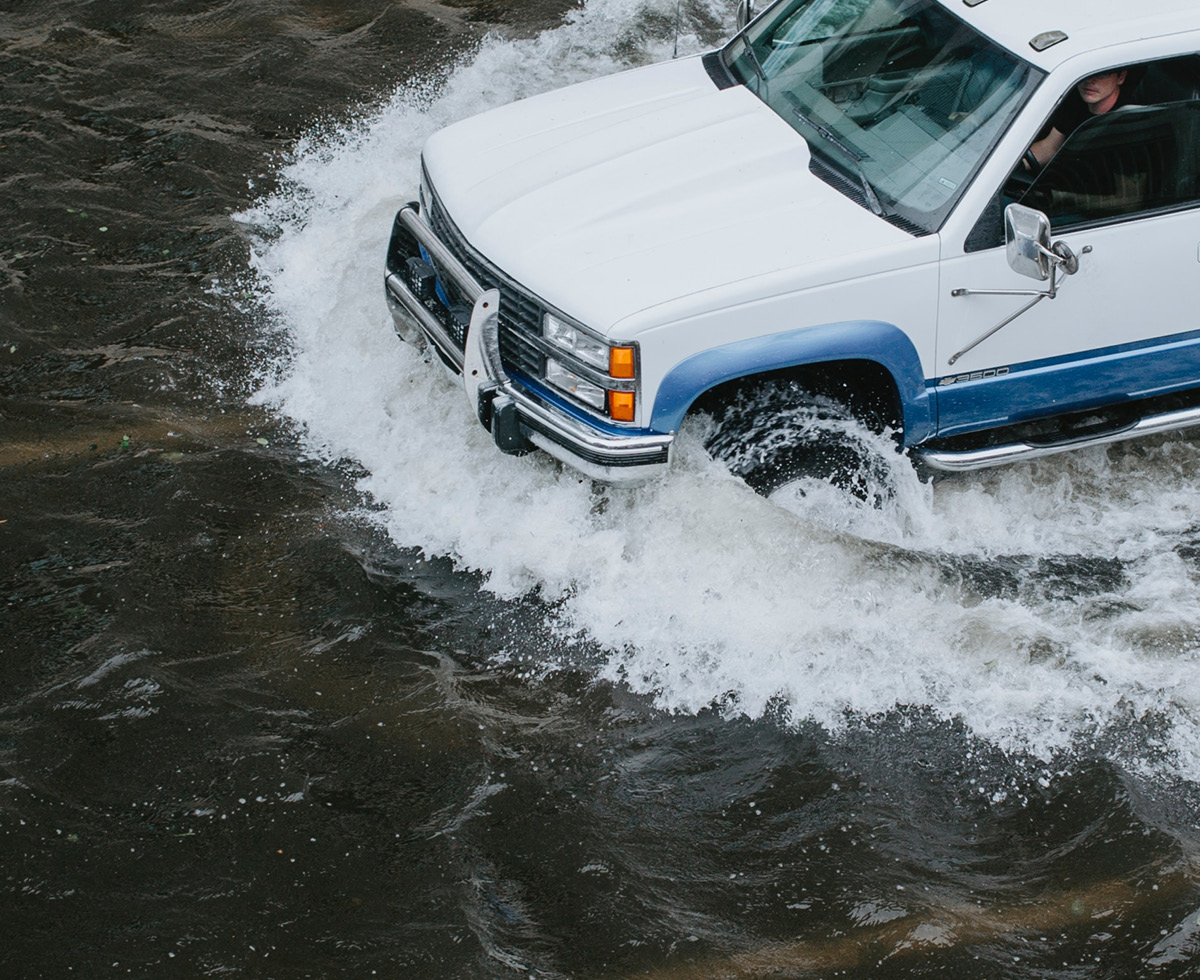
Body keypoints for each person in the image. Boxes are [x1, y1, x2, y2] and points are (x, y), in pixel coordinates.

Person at [1022, 68, 1130, 172]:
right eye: (1086, 71)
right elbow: (1050, 147)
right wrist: (1016, 164)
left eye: (1102, 73)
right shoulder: (1075, 100)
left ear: (1121, 77)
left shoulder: (1127, 120)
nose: (1090, 80)